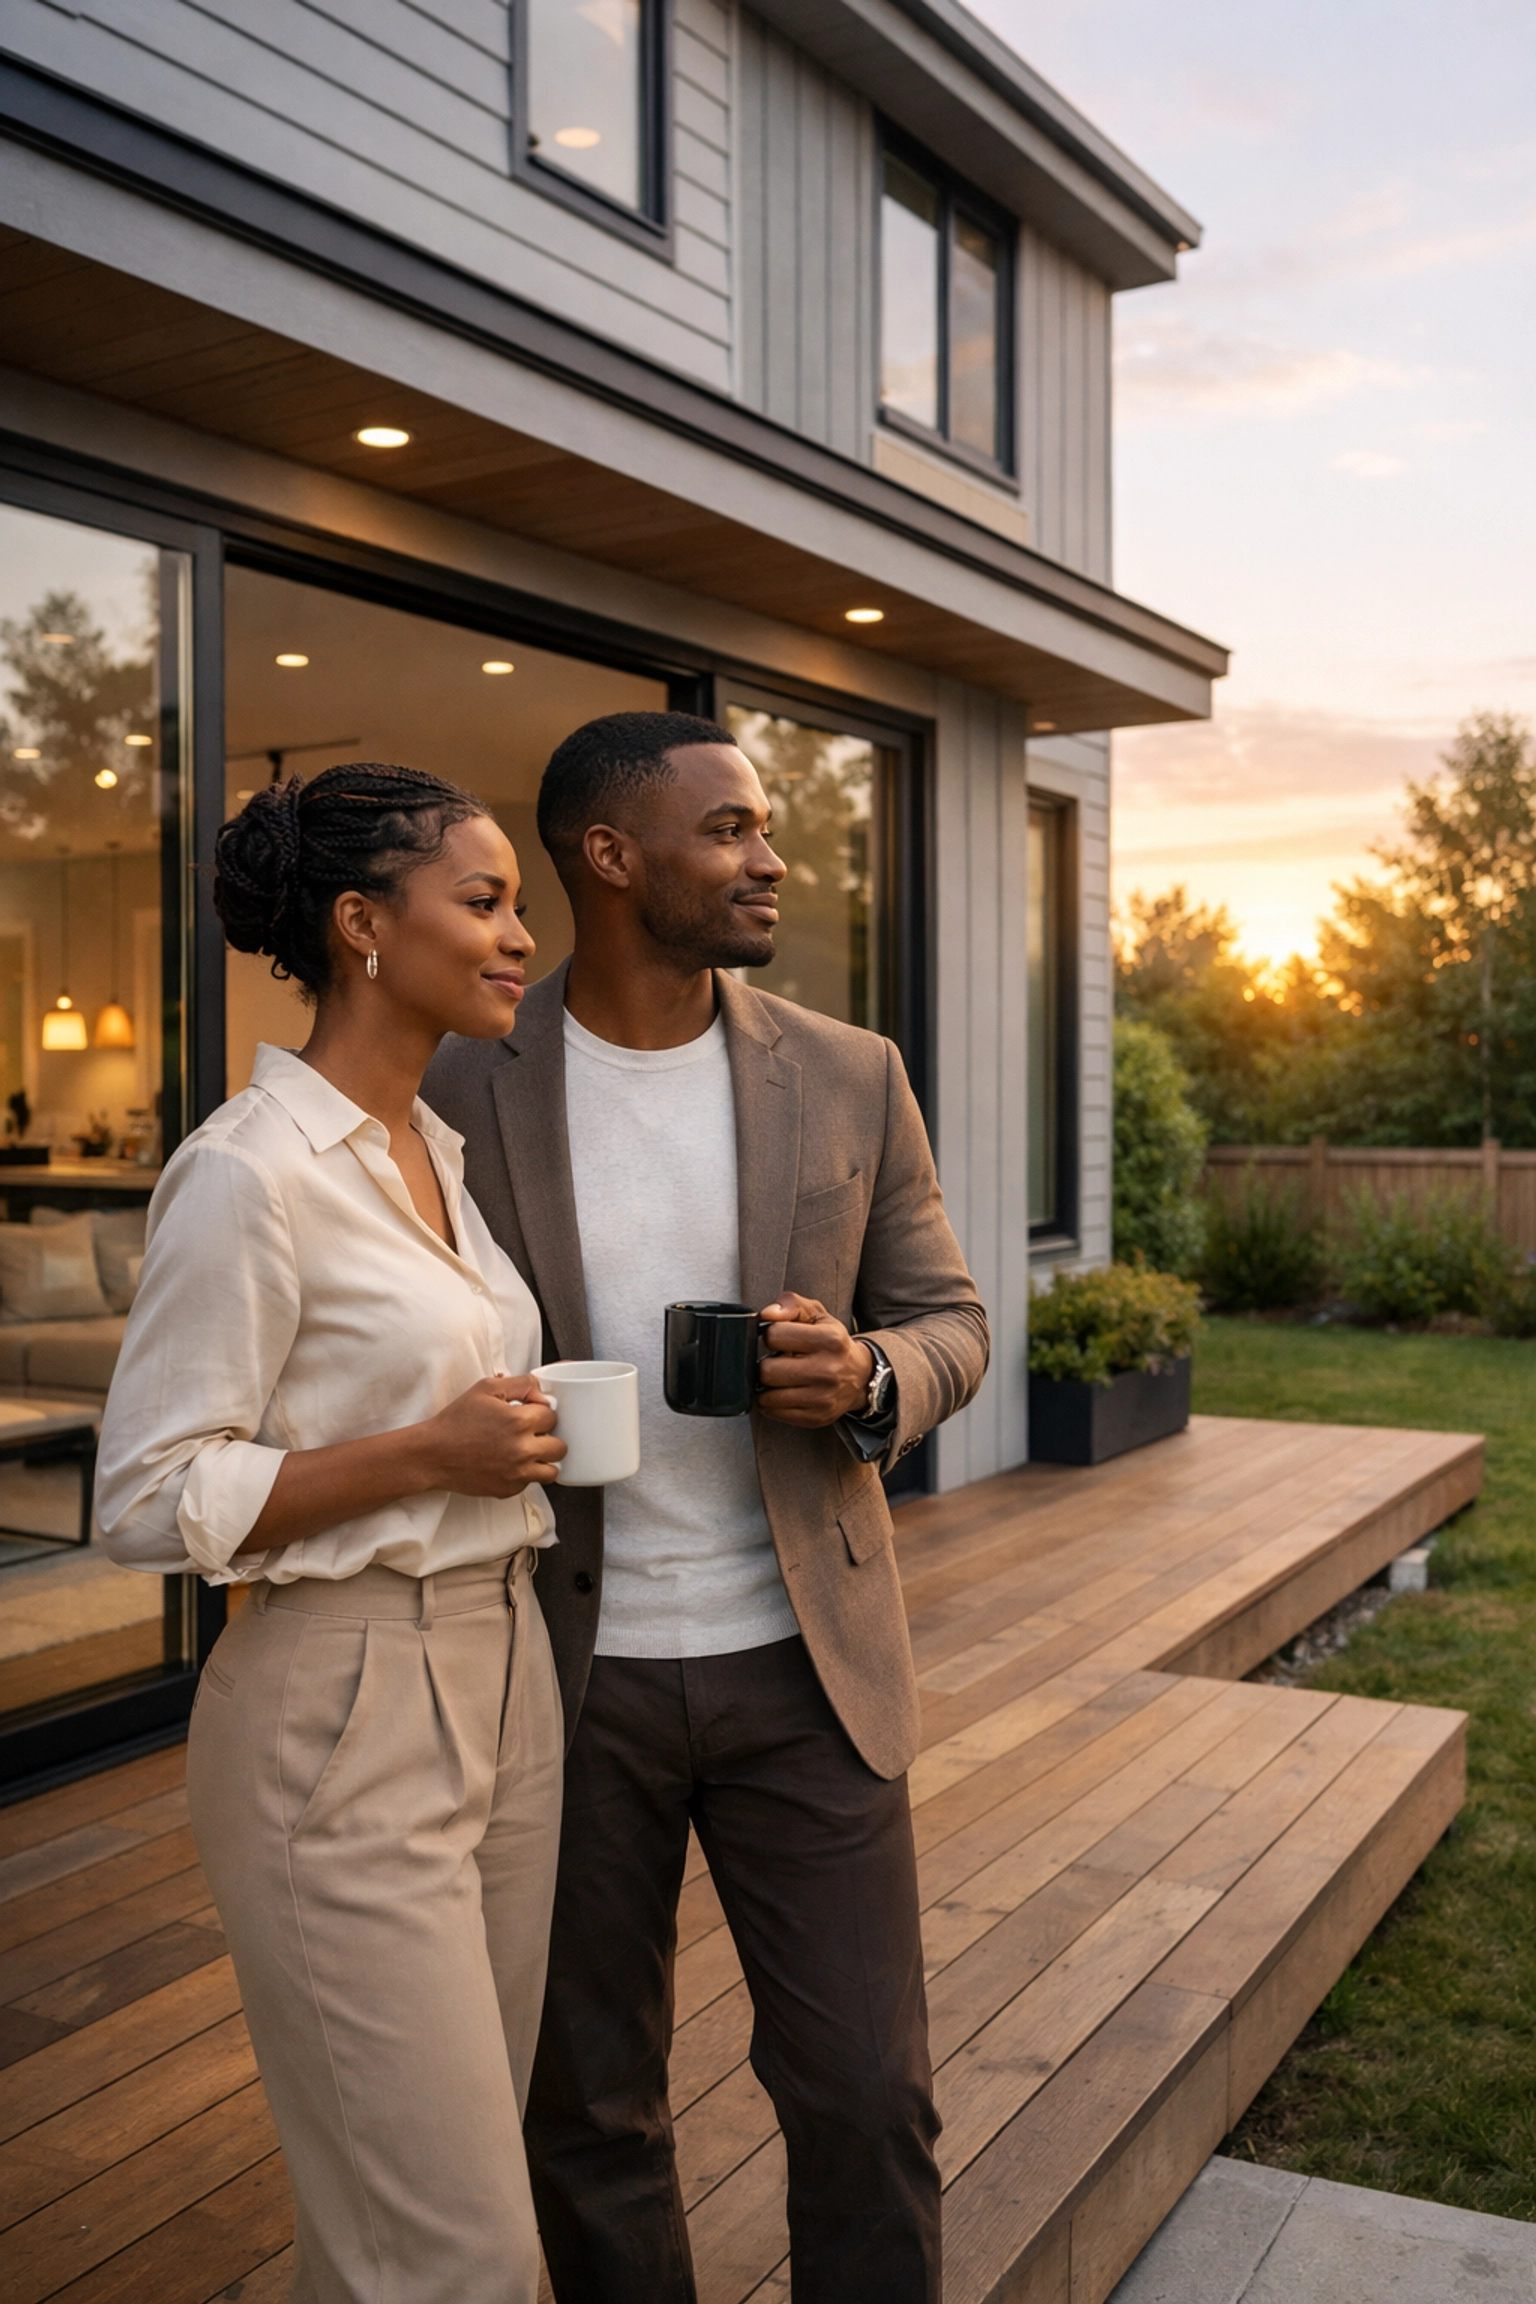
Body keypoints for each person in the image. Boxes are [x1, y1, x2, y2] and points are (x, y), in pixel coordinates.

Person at [423, 711, 990, 2303]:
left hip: (803, 1664)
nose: (771, 856)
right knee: (585, 2104)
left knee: (867, 2094)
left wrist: (871, 1375)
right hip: (556, 1673)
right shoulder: (459, 1079)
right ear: (611, 857)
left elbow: (952, 1317)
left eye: (765, 826)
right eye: (731, 828)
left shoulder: (847, 1070)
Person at [96, 764, 569, 2304]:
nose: (520, 939)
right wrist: (427, 1452)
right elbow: (150, 1493)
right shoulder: (248, 1173)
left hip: (506, 1685)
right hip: (340, 1710)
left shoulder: (435, 1151)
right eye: (485, 901)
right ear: (364, 925)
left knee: (407, 2220)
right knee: (456, 2257)